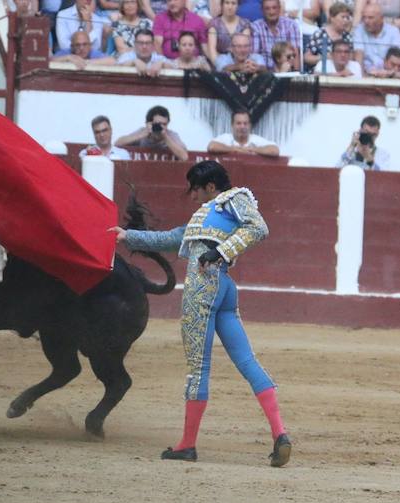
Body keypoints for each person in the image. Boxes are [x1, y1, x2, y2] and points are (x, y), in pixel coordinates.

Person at [108, 161, 291, 467]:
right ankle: (280, 434)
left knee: (198, 367)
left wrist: (220, 252)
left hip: (204, 286)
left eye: (194, 188)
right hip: (223, 288)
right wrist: (129, 236)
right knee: (247, 361)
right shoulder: (206, 214)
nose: (191, 195)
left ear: (209, 186)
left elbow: (259, 227)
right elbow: (172, 238)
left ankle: (187, 445)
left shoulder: (234, 199)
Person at [115, 105, 190, 159]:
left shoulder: (171, 135)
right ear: (149, 123)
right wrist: (141, 135)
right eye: (158, 124)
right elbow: (117, 143)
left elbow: (184, 157)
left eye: (164, 124)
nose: (161, 127)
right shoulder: (143, 131)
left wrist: (165, 137)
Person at [353, 2, 400, 75]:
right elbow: (358, 56)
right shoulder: (359, 30)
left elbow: (397, 59)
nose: (366, 21)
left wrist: (386, 74)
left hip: (388, 75)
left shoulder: (393, 31)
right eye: (364, 17)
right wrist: (362, 79)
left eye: (370, 17)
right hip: (366, 74)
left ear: (381, 18)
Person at [251, 0, 303, 67]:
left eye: (274, 8)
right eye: (267, 8)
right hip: (263, 72)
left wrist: (295, 73)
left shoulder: (291, 25)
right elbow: (255, 55)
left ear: (279, 8)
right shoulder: (256, 26)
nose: (271, 12)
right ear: (262, 10)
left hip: (287, 70)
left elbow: (295, 53)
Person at [306, 2, 355, 69]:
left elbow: (351, 58)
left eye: (347, 18)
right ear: (332, 17)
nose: (345, 21)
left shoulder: (348, 37)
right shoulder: (319, 34)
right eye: (343, 17)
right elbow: (307, 58)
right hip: (321, 72)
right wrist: (324, 58)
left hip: (343, 73)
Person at [207, 110, 281, 155]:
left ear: (250, 126)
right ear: (232, 125)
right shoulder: (226, 138)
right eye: (239, 123)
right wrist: (233, 149)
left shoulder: (256, 139)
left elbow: (274, 150)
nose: (242, 127)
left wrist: (252, 150)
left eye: (245, 123)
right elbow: (211, 147)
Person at [51, 30, 117, 68]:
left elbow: (112, 61)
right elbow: (49, 61)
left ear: (90, 46)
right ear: (72, 46)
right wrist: (68, 57)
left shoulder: (93, 52)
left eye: (85, 44)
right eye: (77, 45)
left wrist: (84, 62)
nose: (81, 48)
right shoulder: (67, 52)